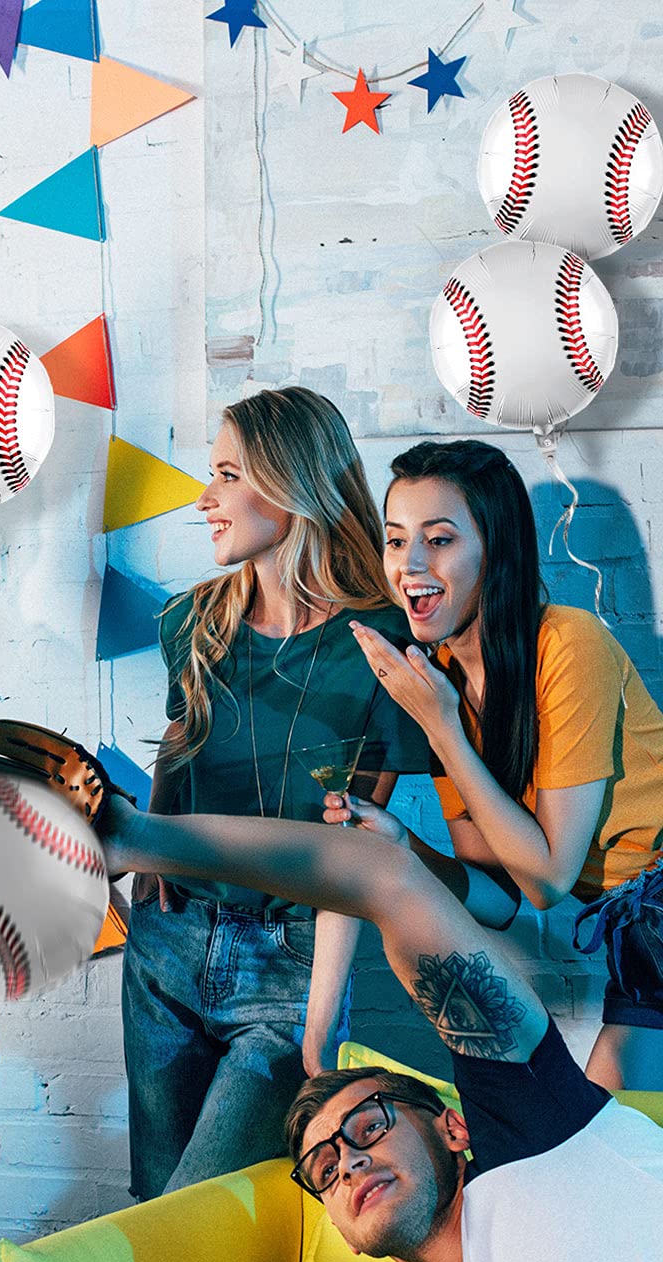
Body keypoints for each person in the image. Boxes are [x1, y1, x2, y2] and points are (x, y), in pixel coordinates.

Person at [96, 794, 663, 1262]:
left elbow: (386, 880)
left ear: (455, 1127)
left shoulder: (535, 1127)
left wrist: (135, 839)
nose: (350, 1162)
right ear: (340, 1230)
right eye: (324, 1169)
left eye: (369, 1126)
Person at [125, 387, 430, 1198]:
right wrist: (149, 845)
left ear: (293, 485)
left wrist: (320, 1024)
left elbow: (357, 854)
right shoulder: (193, 621)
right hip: (168, 947)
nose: (205, 498)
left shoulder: (381, 642)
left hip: (291, 967)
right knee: (152, 1208)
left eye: (229, 475)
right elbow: (181, 743)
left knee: (200, 1210)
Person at [330, 440, 663, 1090]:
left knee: (608, 1128)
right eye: (396, 540)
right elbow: (500, 899)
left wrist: (441, 726)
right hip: (640, 933)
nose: (410, 563)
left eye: (439, 539)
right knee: (613, 1133)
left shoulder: (567, 645)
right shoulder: (439, 684)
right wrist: (404, 847)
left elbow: (547, 880)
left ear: (496, 549)